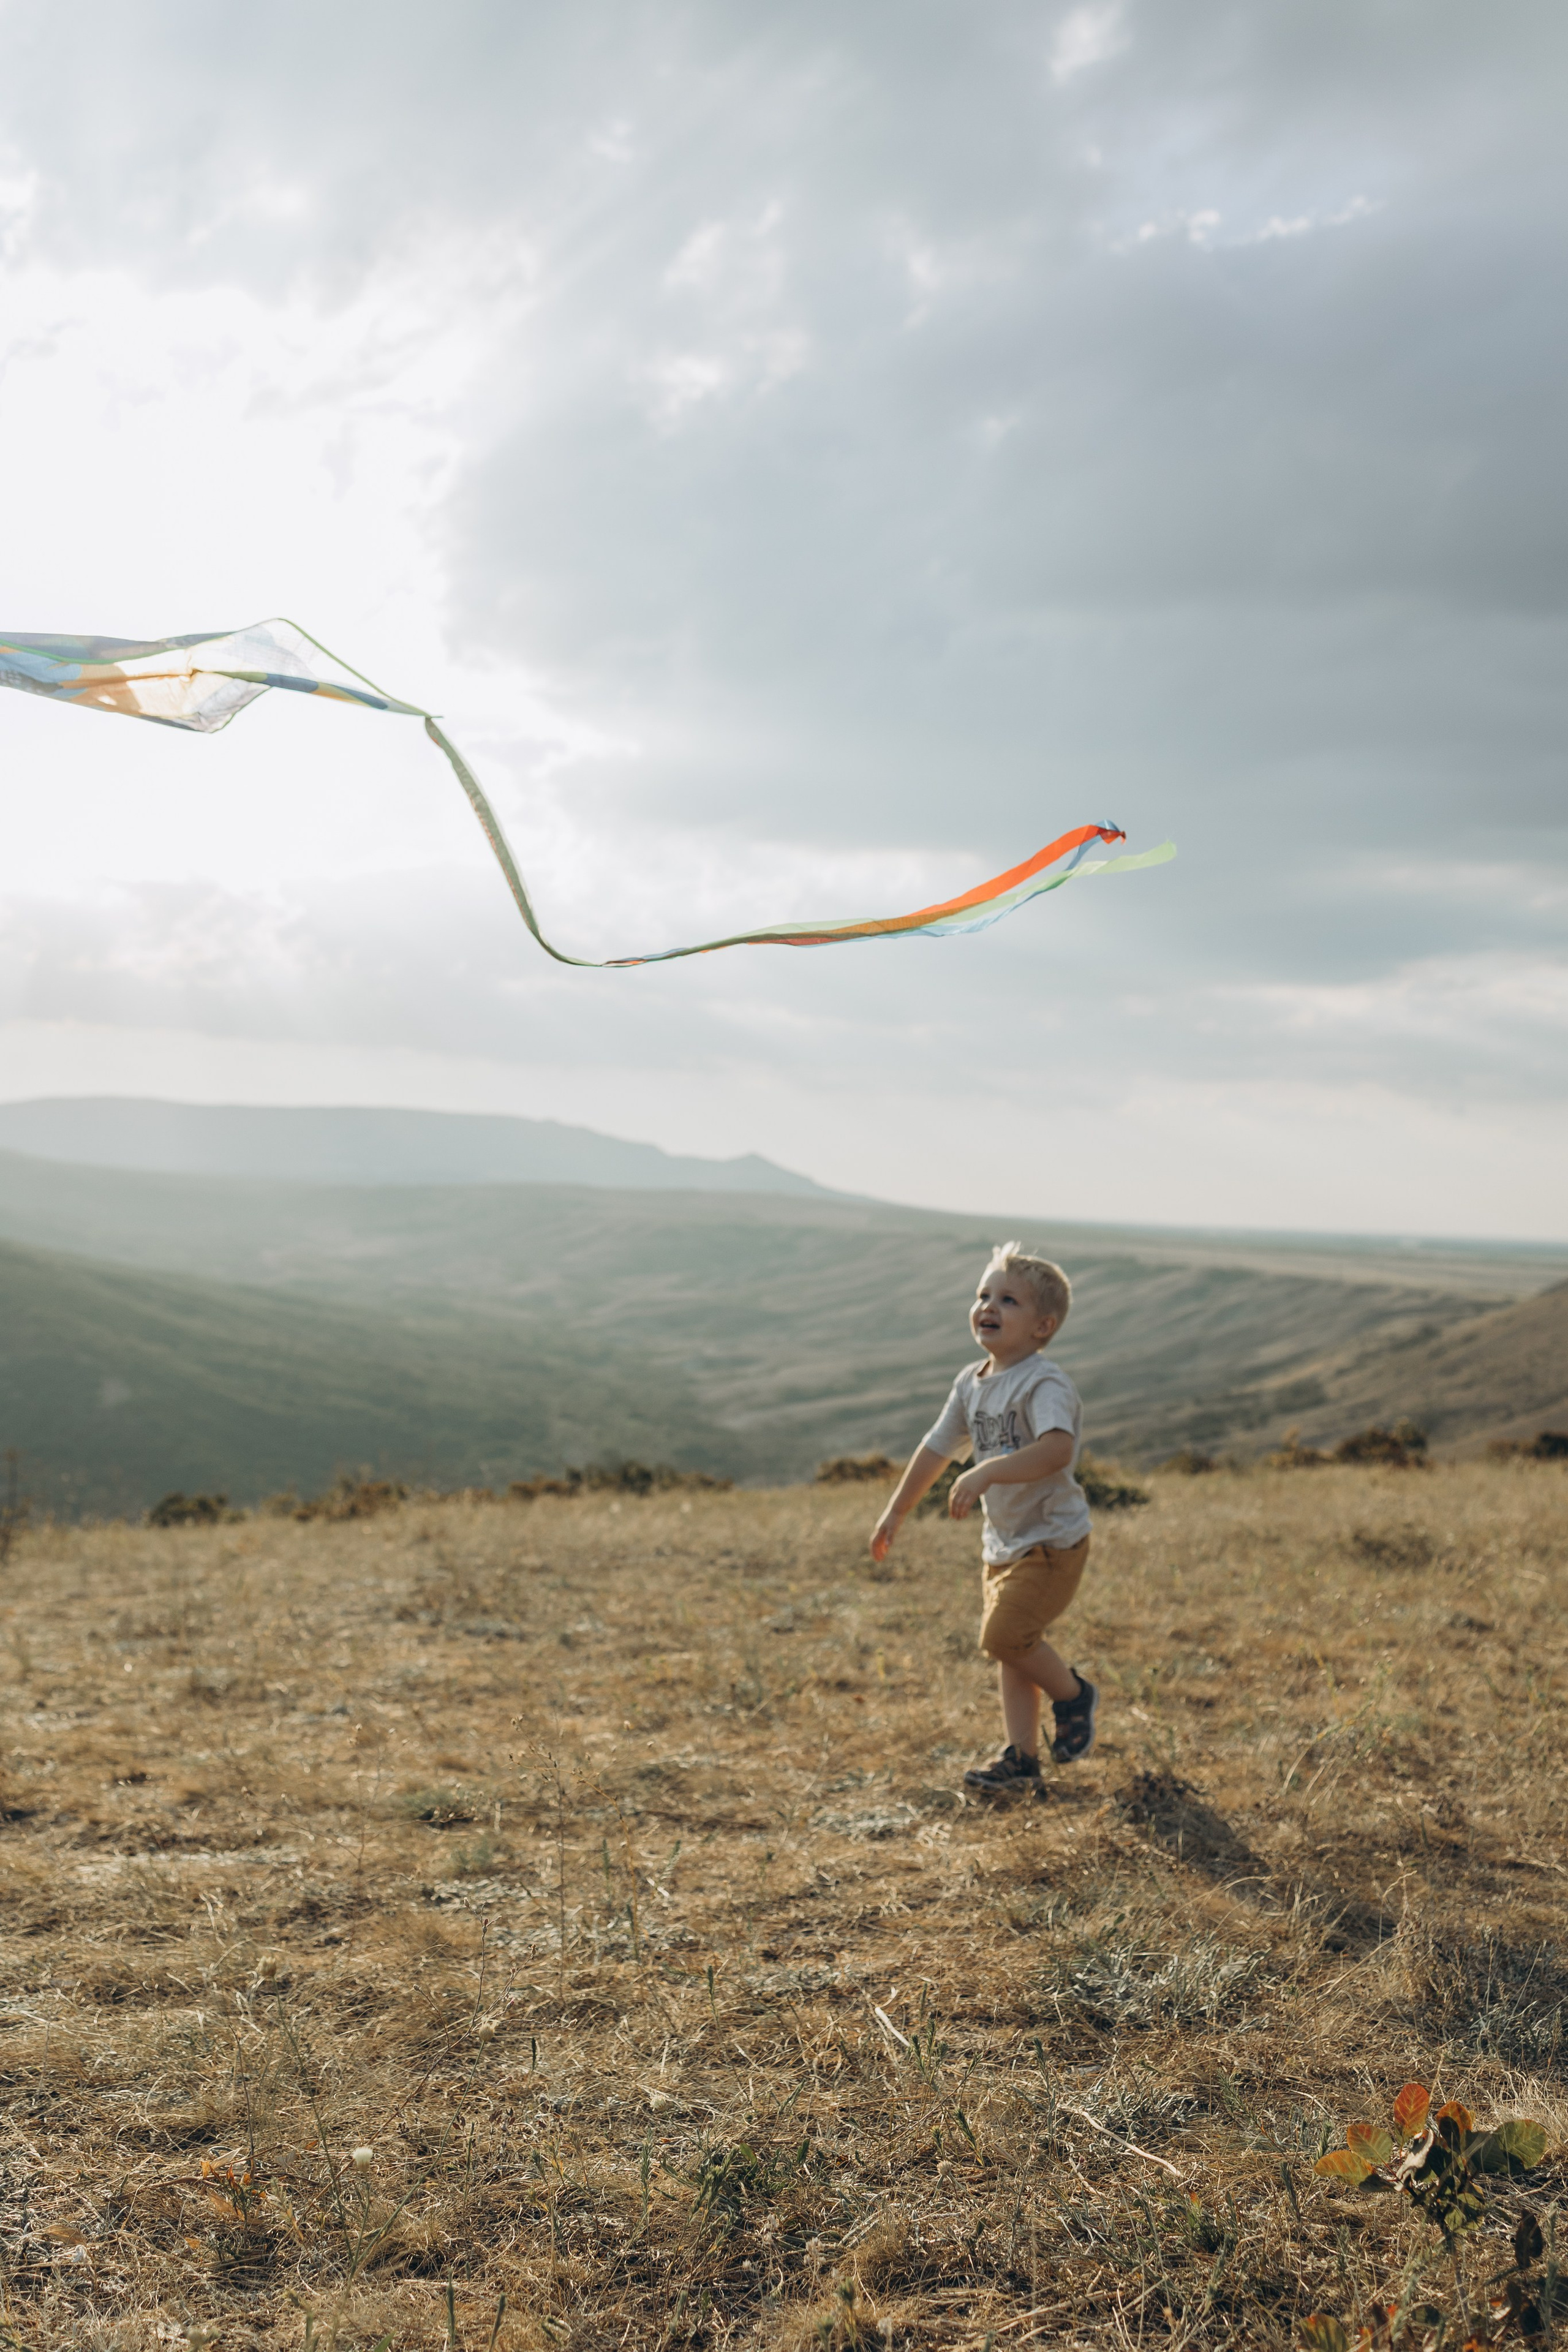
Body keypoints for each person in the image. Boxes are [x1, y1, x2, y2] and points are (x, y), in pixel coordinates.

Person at [869, 1243, 1096, 1796]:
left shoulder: (1043, 1384)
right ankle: (1021, 1762)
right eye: (983, 1295)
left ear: (1043, 1326)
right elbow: (937, 1449)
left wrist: (986, 1472)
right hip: (1005, 1545)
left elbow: (1057, 1450)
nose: (988, 1306)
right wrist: (897, 1510)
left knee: (1005, 1637)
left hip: (1052, 1541)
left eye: (1008, 1300)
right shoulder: (971, 1381)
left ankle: (1074, 1697)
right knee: (1013, 1651)